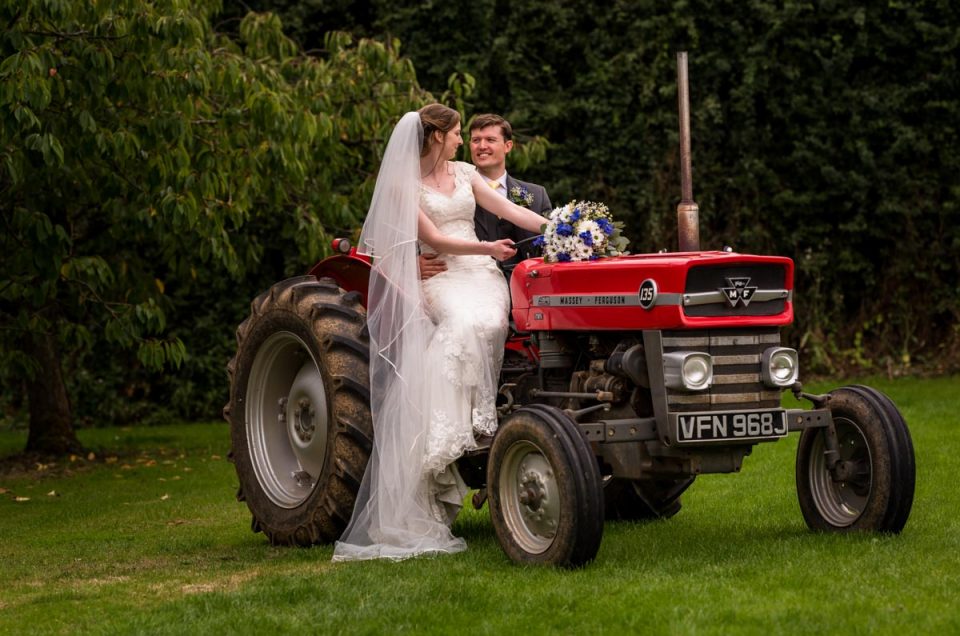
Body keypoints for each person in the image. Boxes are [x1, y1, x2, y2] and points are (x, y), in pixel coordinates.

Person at [332, 105, 549, 562]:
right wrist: (486, 246)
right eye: (455, 134)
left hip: (480, 275)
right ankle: (453, 432)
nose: (462, 141)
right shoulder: (403, 184)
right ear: (436, 137)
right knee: (462, 322)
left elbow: (509, 208)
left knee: (491, 318)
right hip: (440, 275)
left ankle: (477, 414)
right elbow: (438, 237)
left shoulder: (467, 174)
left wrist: (565, 228)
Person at [419, 113, 552, 281]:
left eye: (490, 140)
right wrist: (410, 264)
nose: (482, 146)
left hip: (528, 285)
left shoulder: (536, 194)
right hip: (460, 277)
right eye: (475, 140)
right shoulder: (456, 188)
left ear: (508, 146)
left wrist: (569, 227)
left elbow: (548, 246)